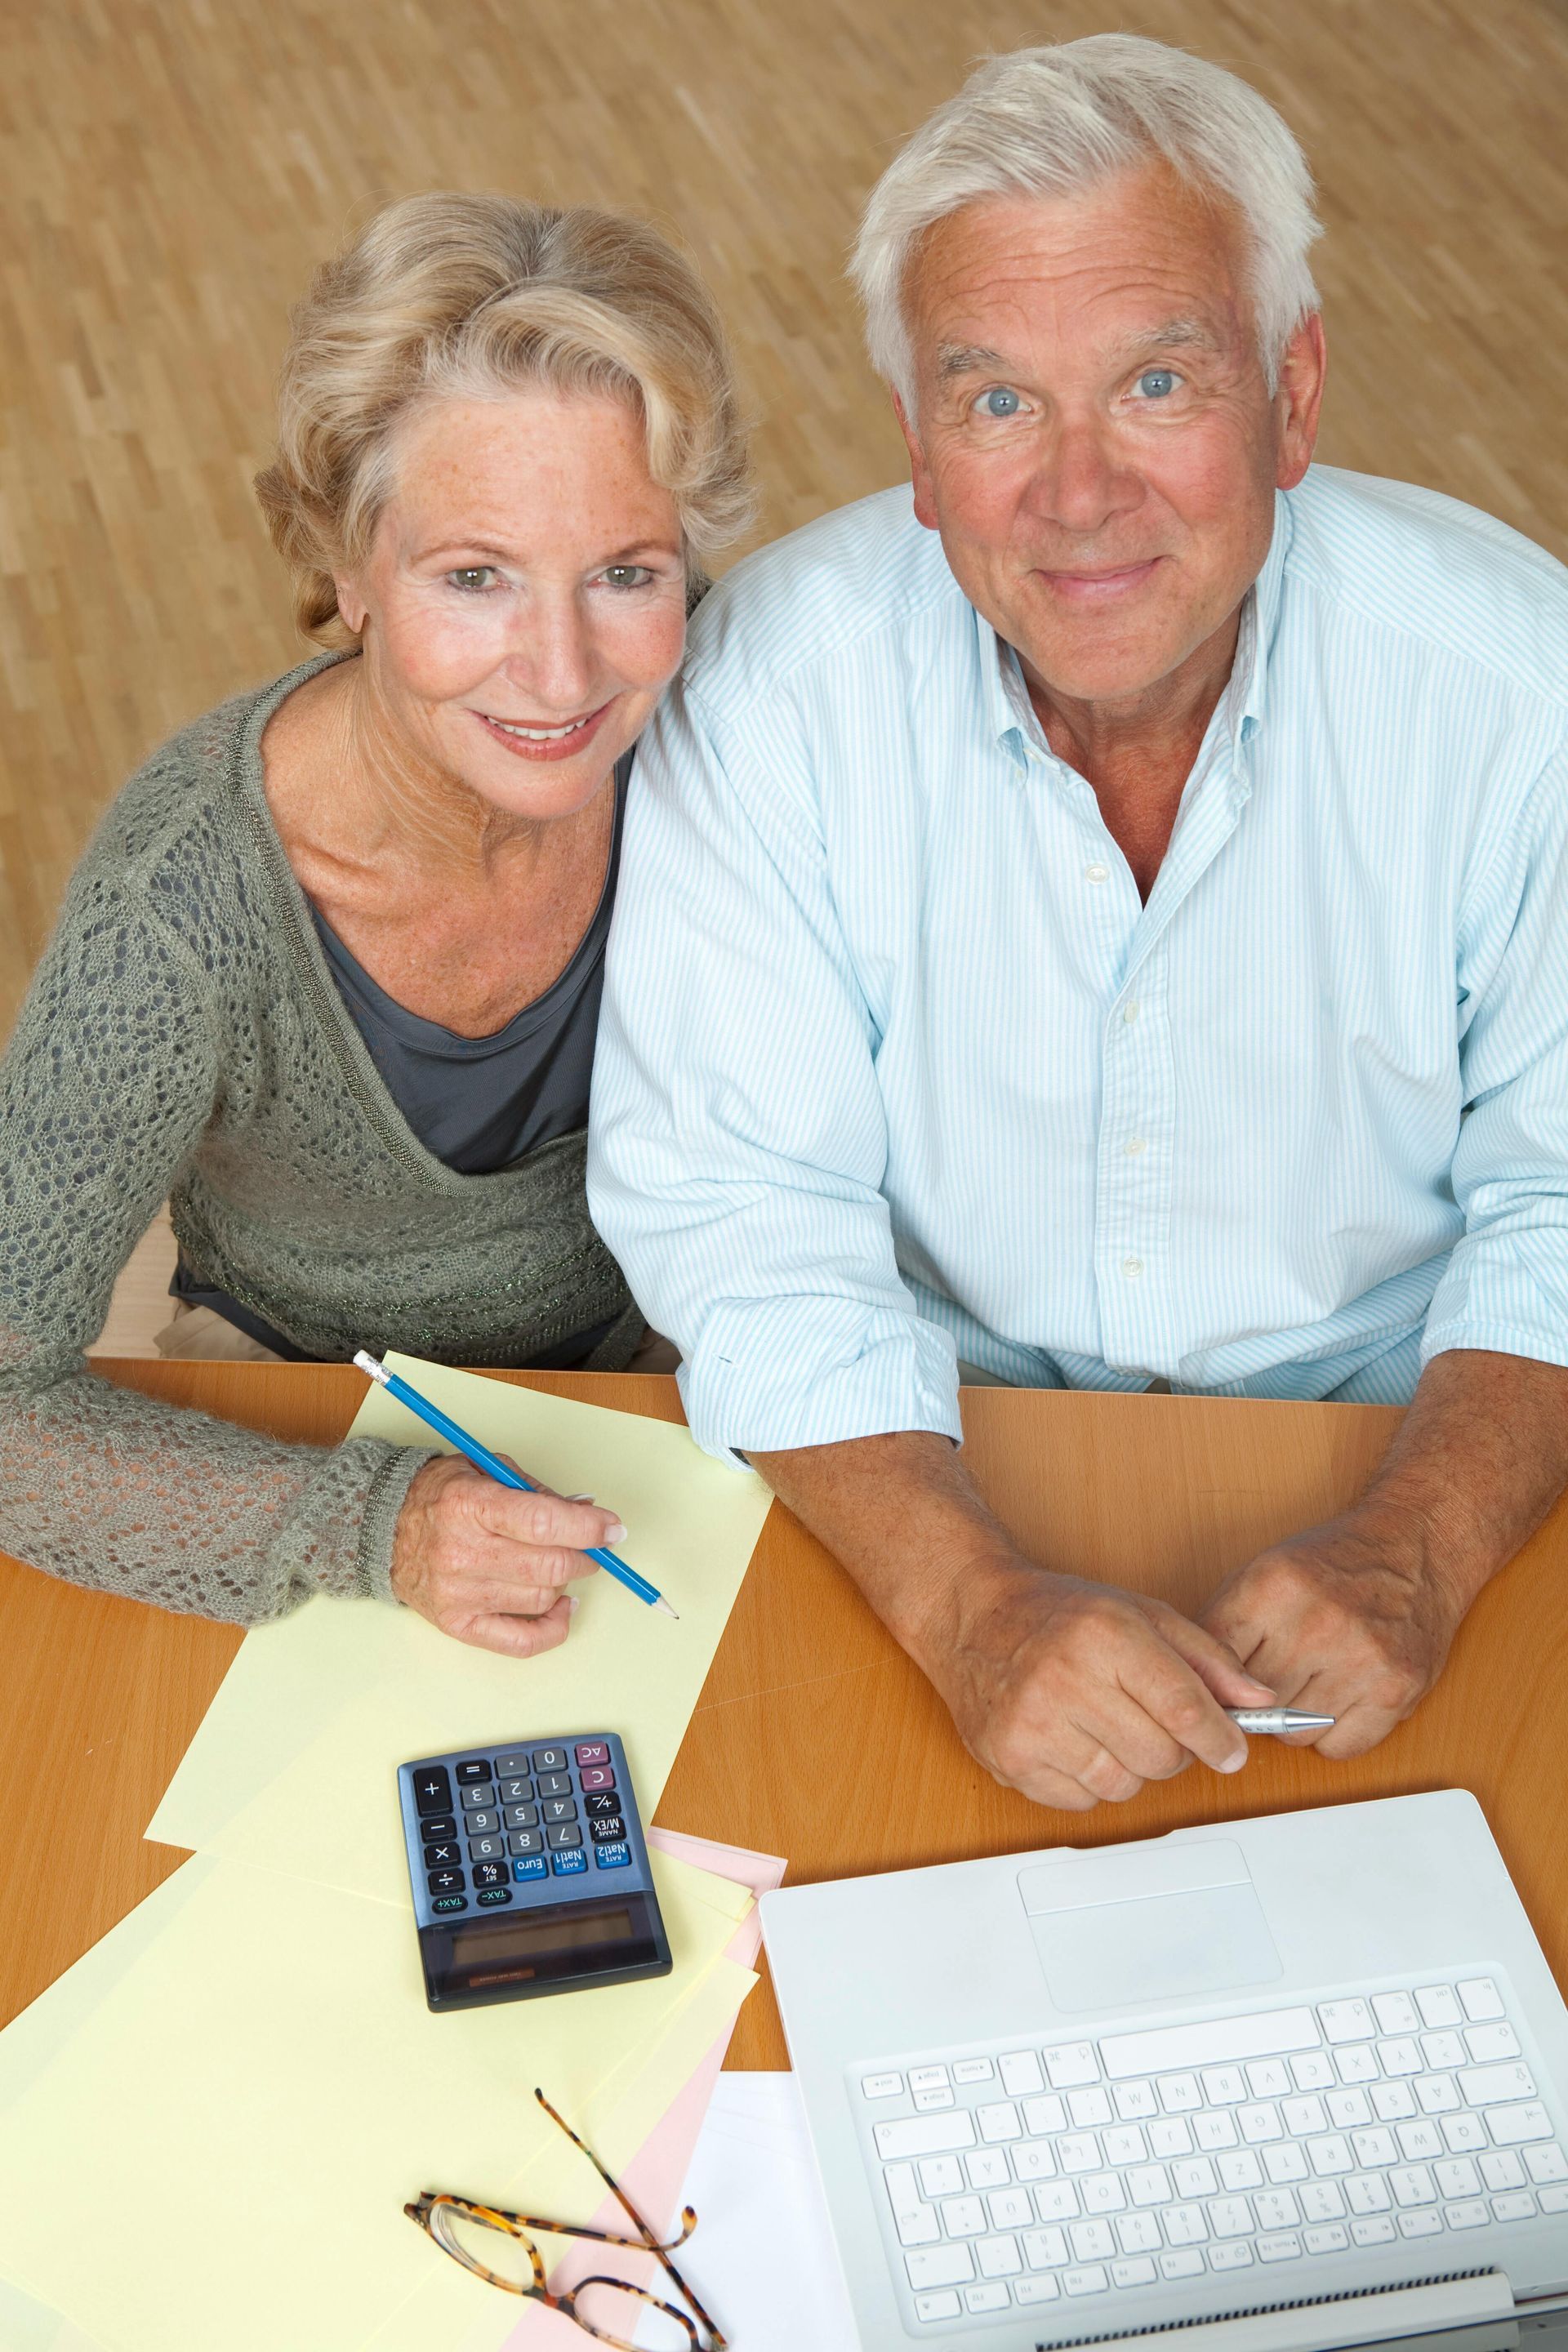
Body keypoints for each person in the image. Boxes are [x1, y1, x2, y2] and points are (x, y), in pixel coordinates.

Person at [589, 35, 1568, 1809]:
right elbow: (751, 1213)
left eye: (1160, 385)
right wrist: (966, 1607)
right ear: (917, 444)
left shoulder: (1519, 687)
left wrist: (1421, 1545)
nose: (1077, 493)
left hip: (1421, 1433)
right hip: (927, 1445)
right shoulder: (770, 697)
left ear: (1295, 394)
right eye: (997, 402)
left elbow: (1560, 1190)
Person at [0, 192, 751, 1651]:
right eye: (473, 577)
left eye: (625, 573)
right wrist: (374, 1527)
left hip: (665, 1354)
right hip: (311, 1400)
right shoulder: (181, 908)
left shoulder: (728, 742)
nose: (558, 672)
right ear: (346, 571)